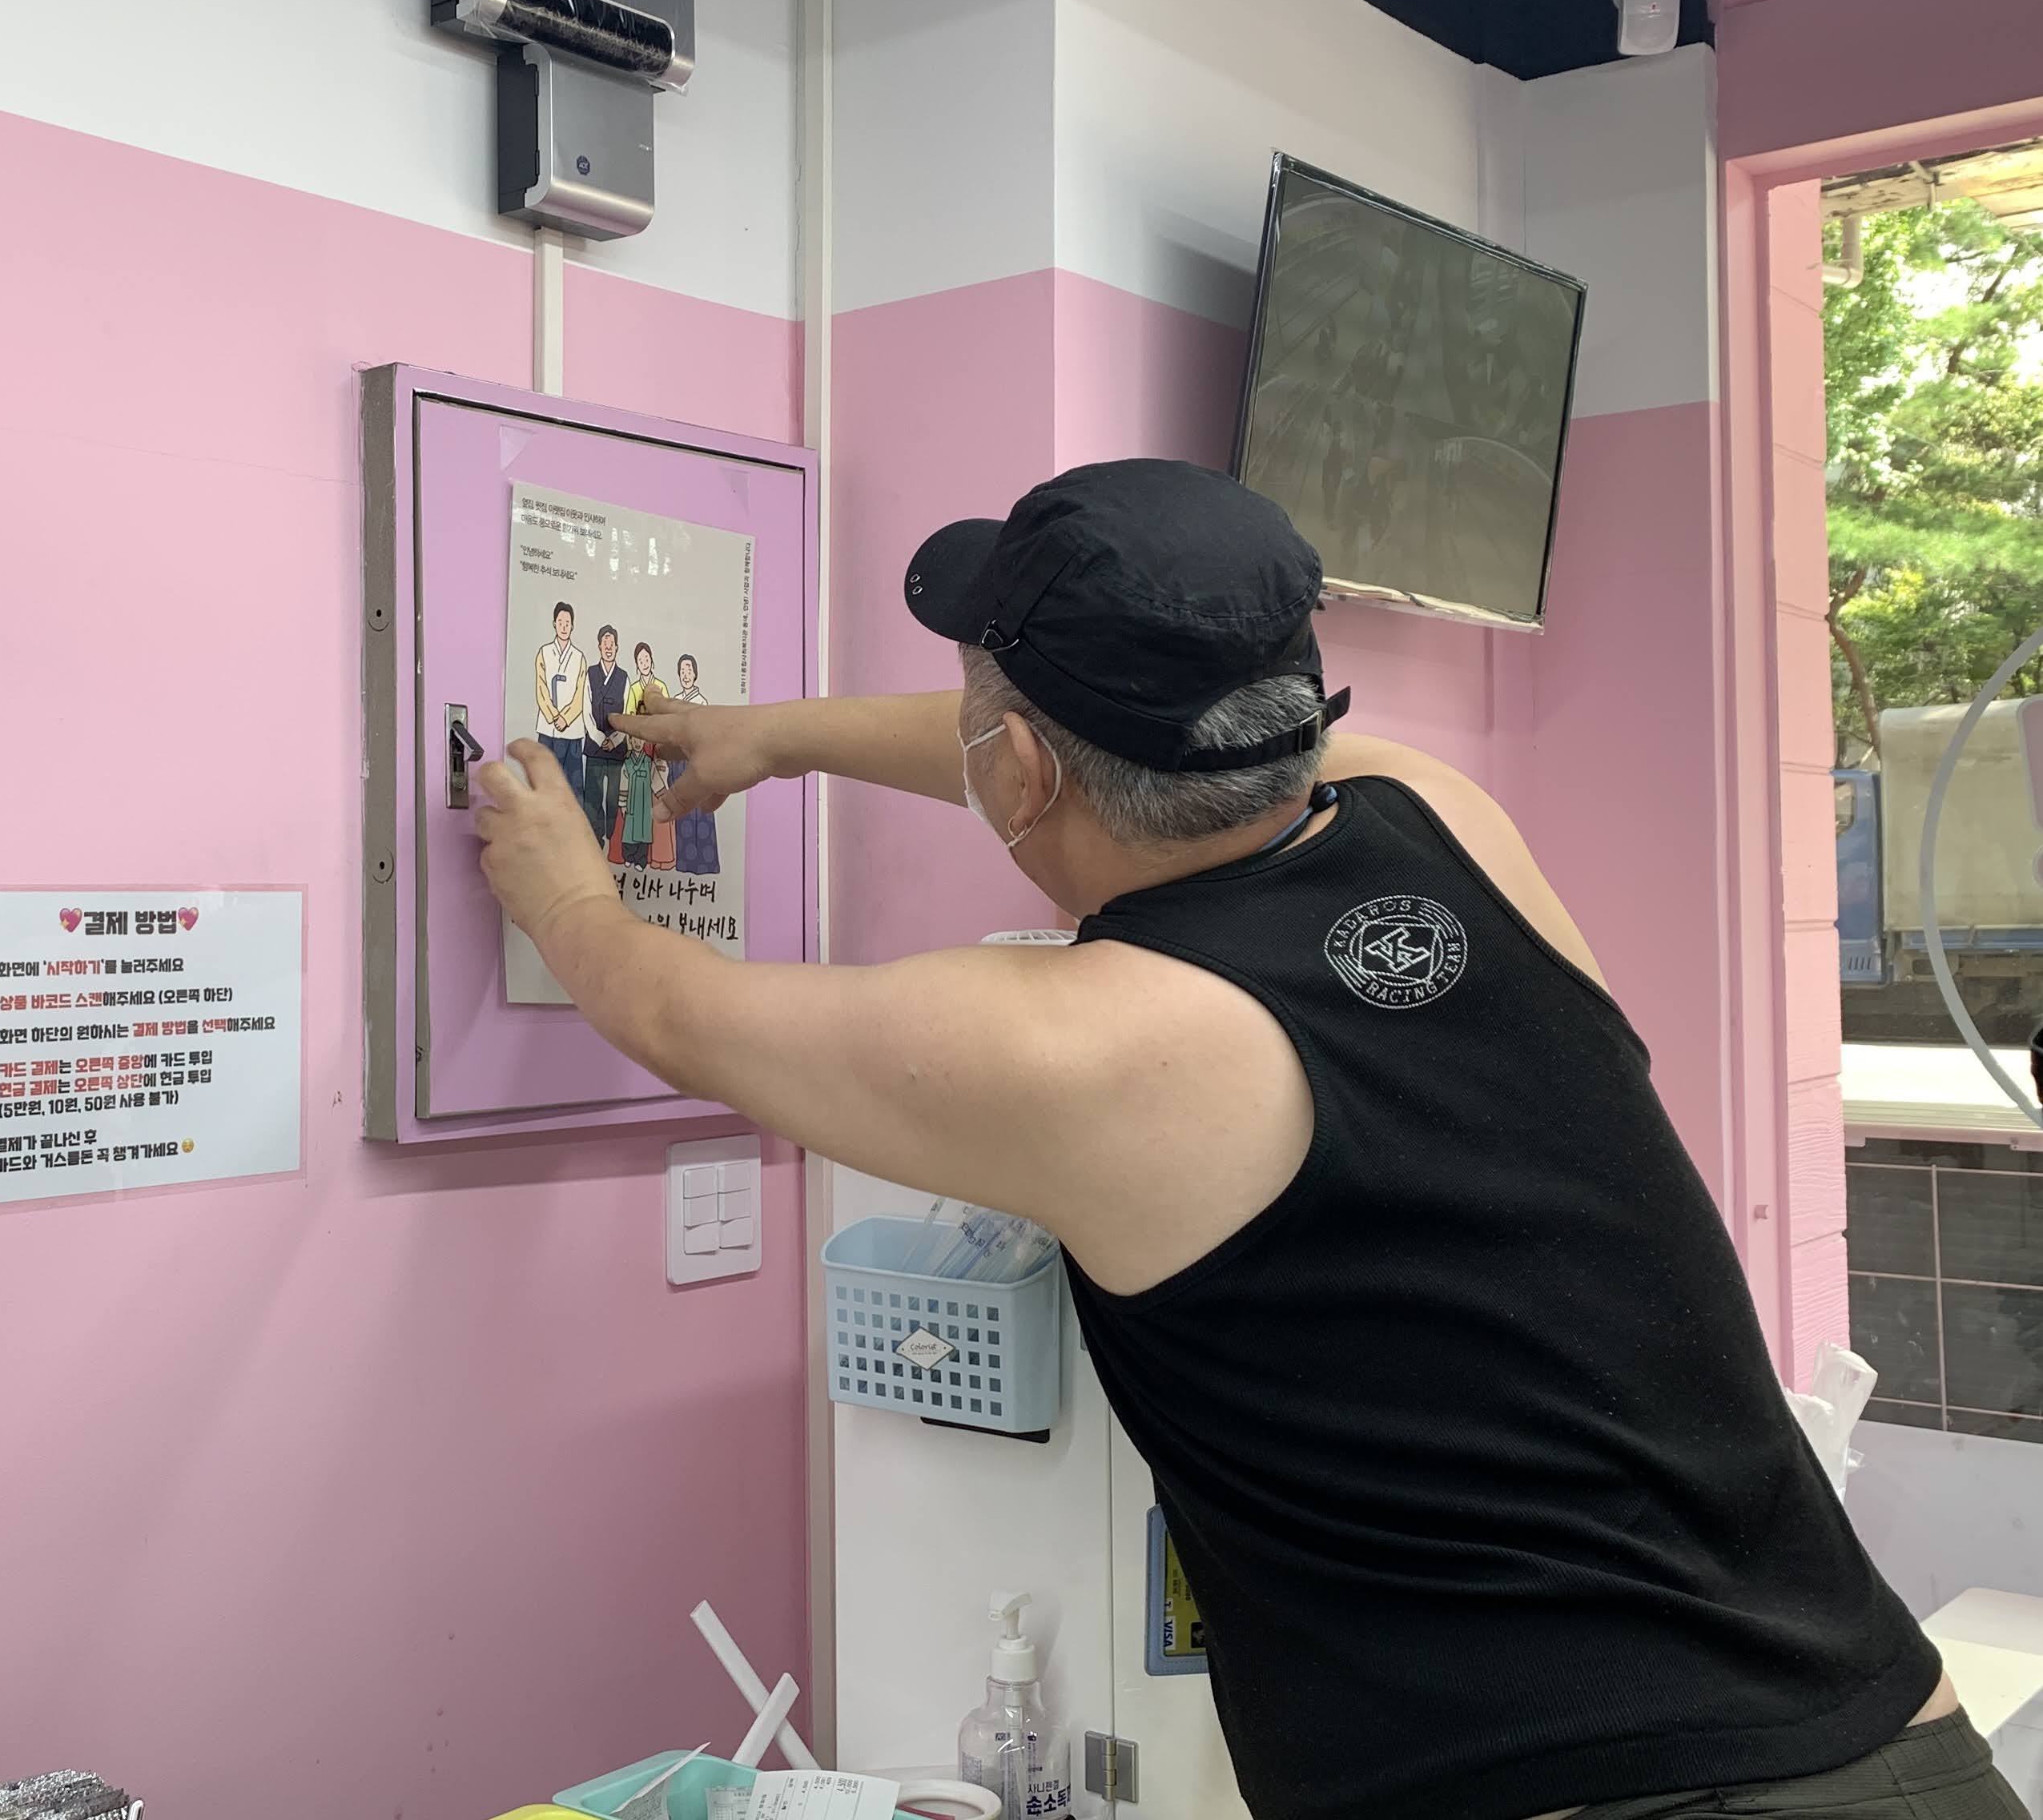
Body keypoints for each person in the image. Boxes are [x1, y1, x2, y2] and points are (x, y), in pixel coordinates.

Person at [473, 458, 2001, 1820]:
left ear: (1019, 771)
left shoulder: (1084, 1045)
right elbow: (1063, 753)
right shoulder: (1438, 817)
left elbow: (674, 1010)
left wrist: (561, 888)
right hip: (1899, 1740)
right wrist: (774, 739)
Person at [530, 601, 589, 792]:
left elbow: (580, 693)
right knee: (543, 784)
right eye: (560, 622)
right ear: (554, 623)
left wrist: (566, 718)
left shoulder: (579, 657)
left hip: (572, 731)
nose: (564, 627)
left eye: (567, 623)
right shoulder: (544, 652)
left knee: (573, 789)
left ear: (573, 626)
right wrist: (554, 716)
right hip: (548, 729)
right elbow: (541, 689)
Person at [669, 654, 718, 877]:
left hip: (698, 762)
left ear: (695, 674)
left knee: (702, 810)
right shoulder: (674, 701)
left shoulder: (702, 703)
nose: (686, 675)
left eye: (689, 670)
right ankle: (685, 863)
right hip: (678, 763)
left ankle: (705, 864)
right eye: (682, 671)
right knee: (682, 813)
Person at [581, 626, 629, 849]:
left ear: (617, 648)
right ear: (599, 646)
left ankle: (613, 839)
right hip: (595, 746)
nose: (608, 647)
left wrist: (615, 739)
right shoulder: (590, 674)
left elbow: (628, 713)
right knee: (593, 795)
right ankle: (595, 839)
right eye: (605, 643)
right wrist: (600, 739)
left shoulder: (624, 677)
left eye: (612, 644)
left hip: (617, 747)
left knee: (613, 797)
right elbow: (586, 711)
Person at [618, 643, 666, 866]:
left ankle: (643, 859)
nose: (644, 662)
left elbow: (668, 721)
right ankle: (629, 856)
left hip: (656, 747)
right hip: (631, 799)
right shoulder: (634, 688)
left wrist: (664, 793)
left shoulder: (661, 687)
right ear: (636, 665)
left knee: (646, 826)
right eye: (640, 660)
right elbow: (629, 719)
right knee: (630, 827)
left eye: (647, 658)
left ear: (652, 661)